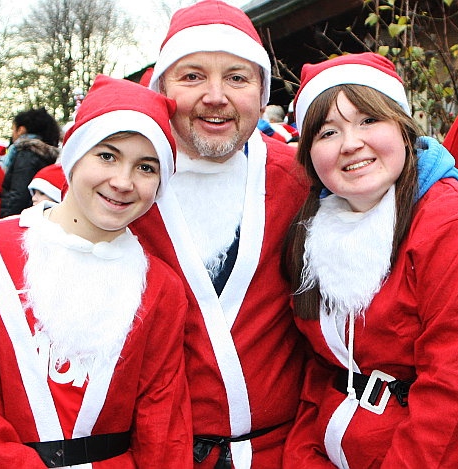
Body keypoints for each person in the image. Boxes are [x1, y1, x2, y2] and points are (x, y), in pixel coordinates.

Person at [282, 52, 458, 468]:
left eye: (369, 120)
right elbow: (323, 369)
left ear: (404, 128)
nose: (351, 143)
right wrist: (305, 456)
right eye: (327, 132)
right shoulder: (314, 230)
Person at [0, 75, 193, 468]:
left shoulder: (161, 287)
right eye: (107, 155)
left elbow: (162, 423)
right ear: (74, 157)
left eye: (146, 167)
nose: (122, 182)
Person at [133, 1, 309, 467]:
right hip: (161, 454)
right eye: (192, 76)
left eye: (237, 77)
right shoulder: (123, 191)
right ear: (161, 88)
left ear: (261, 89)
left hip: (285, 451)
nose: (216, 95)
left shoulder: (303, 181)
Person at [0, 107, 60, 218]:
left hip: (23, 219)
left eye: (13, 129)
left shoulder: (26, 154)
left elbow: (19, 194)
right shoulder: (46, 153)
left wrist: (7, 219)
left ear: (21, 130)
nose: (12, 134)